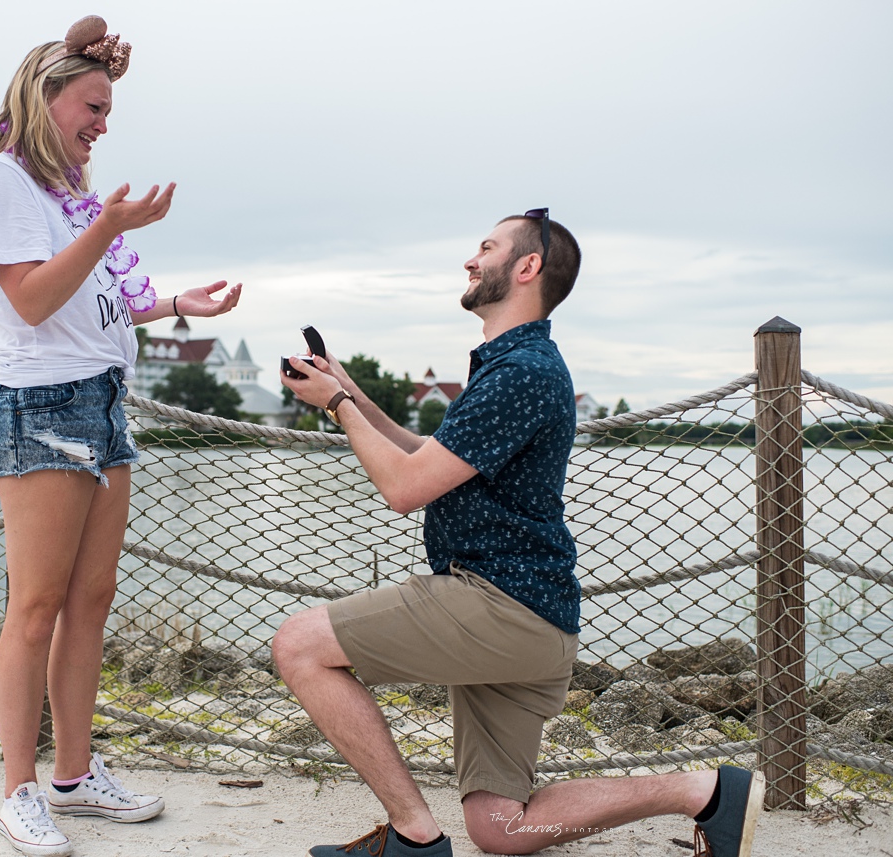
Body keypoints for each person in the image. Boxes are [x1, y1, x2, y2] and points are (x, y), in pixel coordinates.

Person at [274, 210, 764, 857]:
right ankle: (706, 790)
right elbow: (424, 458)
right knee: (502, 826)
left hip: (500, 605)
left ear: (526, 267)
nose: (470, 261)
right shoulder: (516, 366)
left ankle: (414, 837)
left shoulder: (521, 373)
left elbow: (402, 489)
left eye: (485, 248)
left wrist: (334, 404)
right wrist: (348, 386)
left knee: (299, 645)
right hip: (528, 617)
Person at [0, 15, 242, 856]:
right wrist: (110, 225)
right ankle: (18, 789)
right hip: (44, 406)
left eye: (109, 108)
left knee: (90, 599)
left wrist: (173, 304)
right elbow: (35, 300)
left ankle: (75, 777)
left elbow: (93, 297)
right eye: (91, 104)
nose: (103, 123)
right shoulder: (1, 181)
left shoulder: (65, 197)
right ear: (43, 99)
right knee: (36, 605)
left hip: (104, 401)